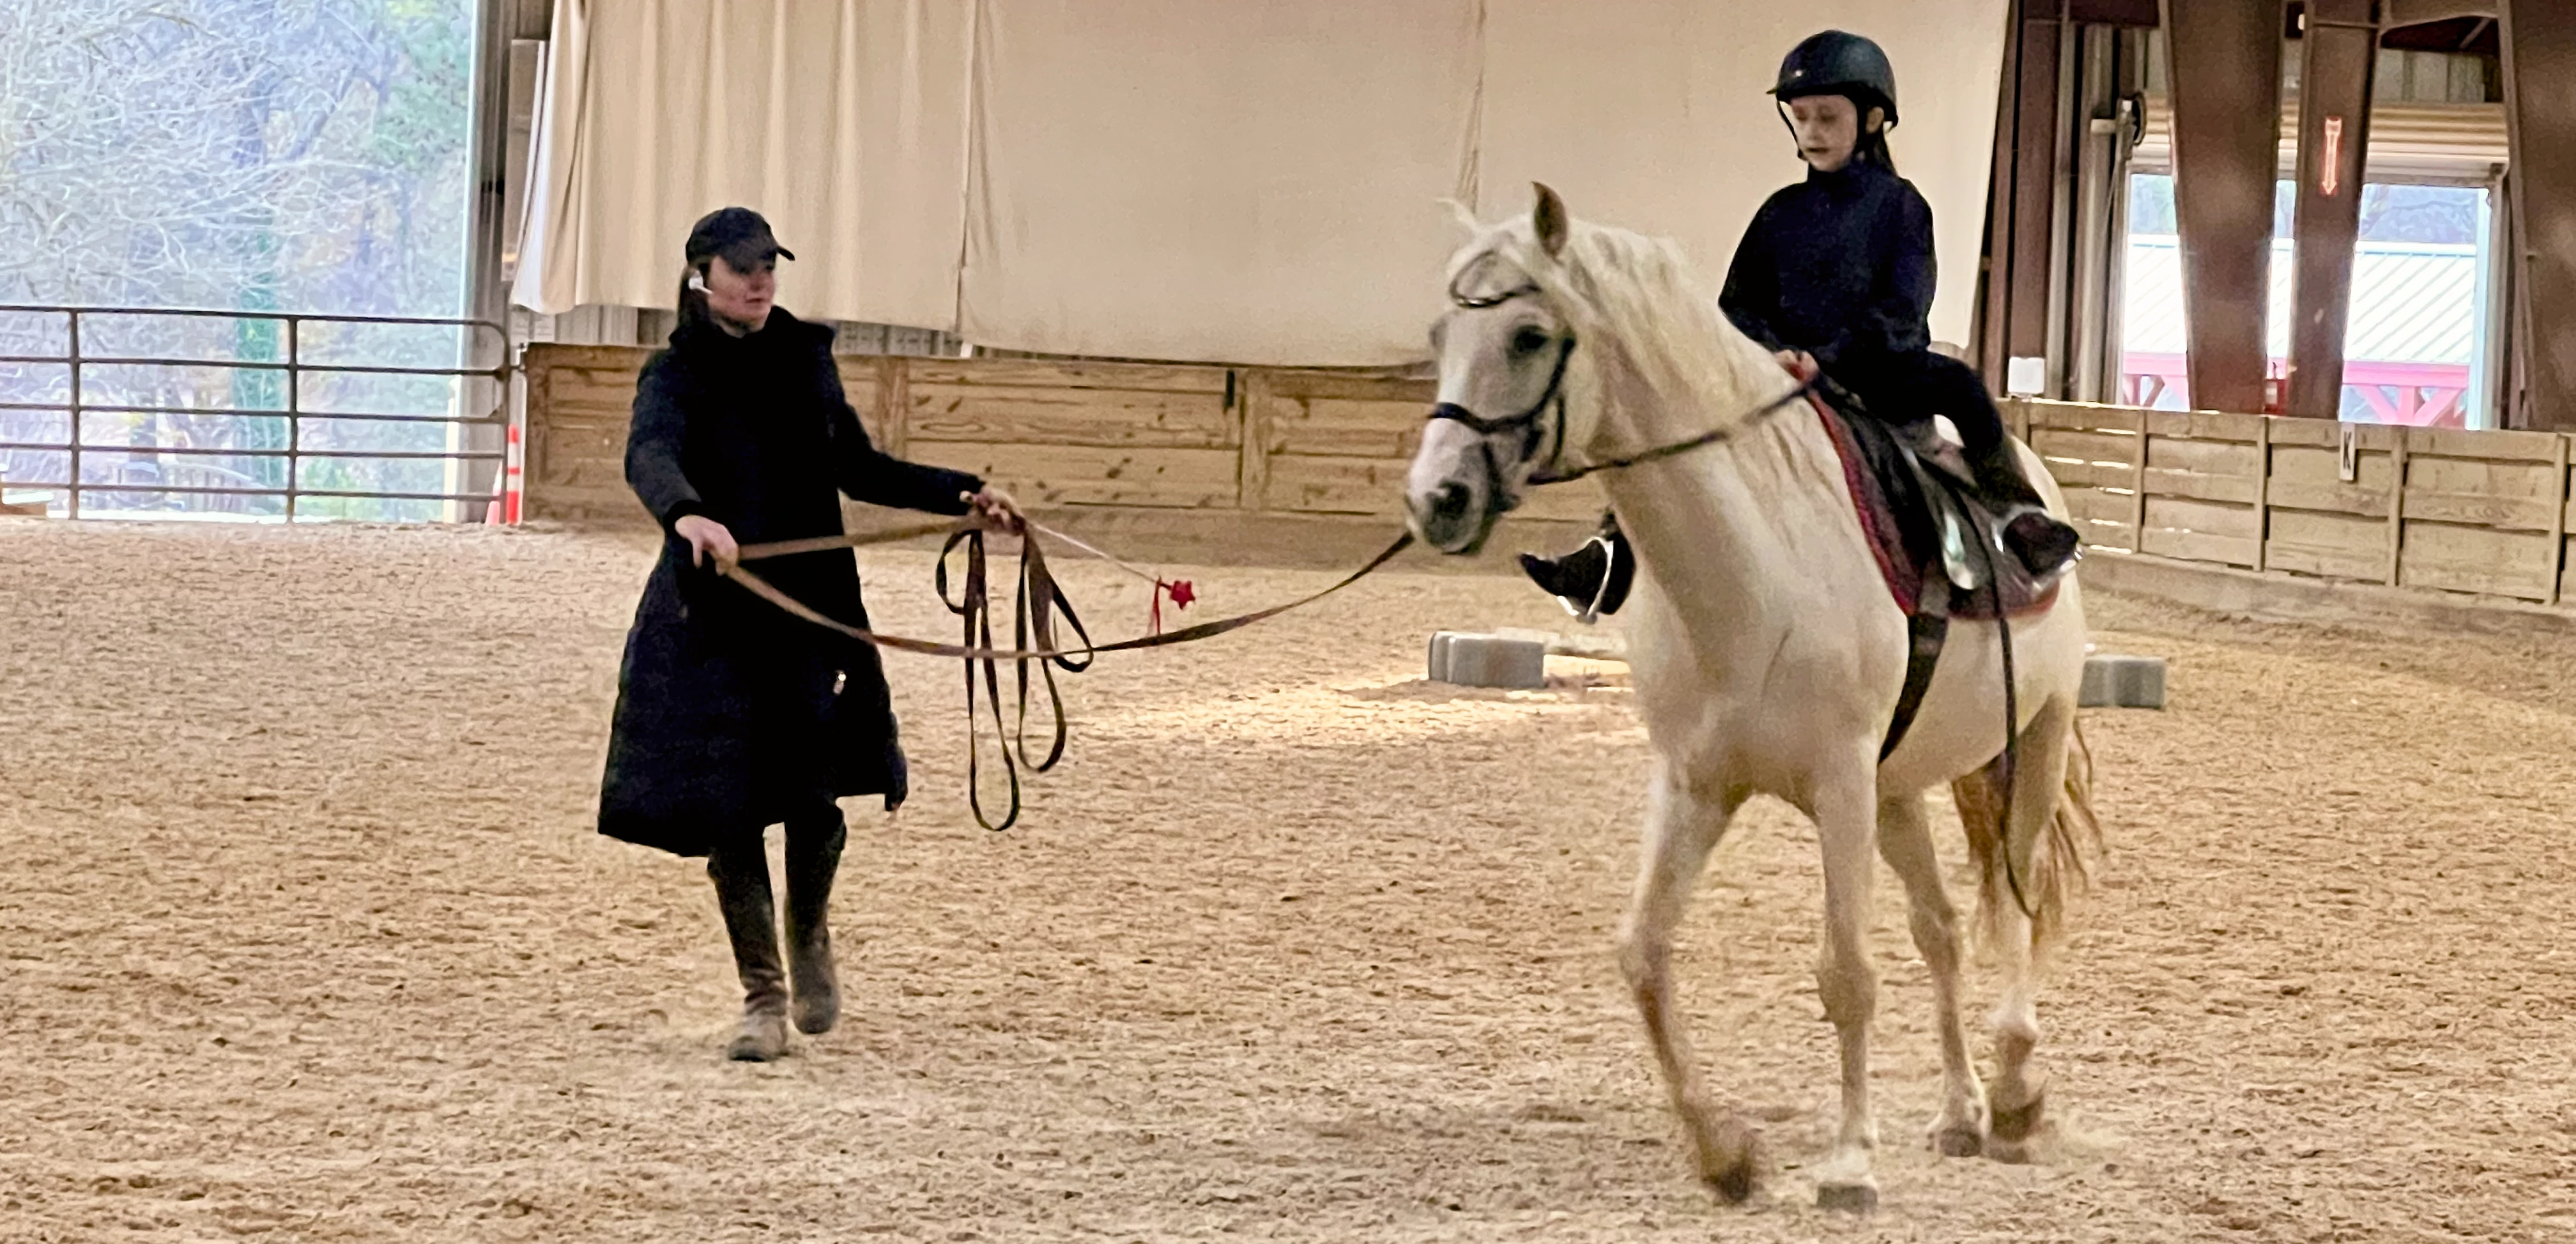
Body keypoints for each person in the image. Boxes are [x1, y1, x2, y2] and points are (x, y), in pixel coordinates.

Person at [595, 206, 1025, 1062]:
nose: (760, 280)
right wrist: (689, 515)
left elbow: (858, 466)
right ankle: (762, 992)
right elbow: (649, 454)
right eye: (743, 266)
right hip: (713, 611)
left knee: (813, 796)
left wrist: (961, 493)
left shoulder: (805, 360)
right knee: (730, 808)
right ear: (702, 275)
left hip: (807, 608)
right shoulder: (674, 373)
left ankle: (810, 928)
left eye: (768, 266)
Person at [1519, 30, 2082, 618]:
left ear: (1870, 120)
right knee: (1679, 417)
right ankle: (1611, 551)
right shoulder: (1779, 212)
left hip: (1876, 374)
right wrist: (1773, 353)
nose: (1812, 132)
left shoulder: (1902, 206)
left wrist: (1827, 357)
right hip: (1779, 374)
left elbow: (1900, 310)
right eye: (1802, 118)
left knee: (1962, 386)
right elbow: (1737, 305)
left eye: (1827, 118)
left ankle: (2019, 517)